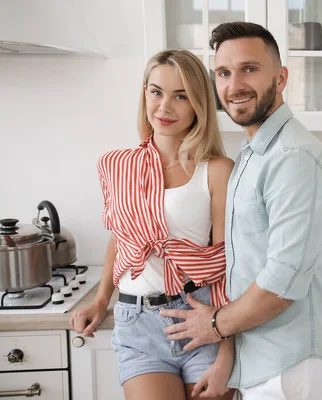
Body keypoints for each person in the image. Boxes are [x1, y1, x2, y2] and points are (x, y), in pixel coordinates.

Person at [160, 22, 322, 399]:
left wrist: (214, 325)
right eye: (224, 73)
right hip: (264, 358)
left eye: (249, 69)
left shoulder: (292, 157)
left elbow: (283, 281)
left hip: (290, 364)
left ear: (280, 78)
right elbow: (242, 269)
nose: (234, 85)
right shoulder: (253, 155)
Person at [70, 49, 235, 400]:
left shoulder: (217, 170)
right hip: (137, 324)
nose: (164, 107)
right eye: (156, 92)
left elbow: (225, 266)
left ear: (198, 105)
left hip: (199, 315)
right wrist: (101, 300)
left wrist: (227, 351)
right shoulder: (118, 165)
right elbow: (122, 239)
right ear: (144, 93)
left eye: (181, 96)